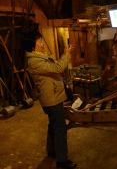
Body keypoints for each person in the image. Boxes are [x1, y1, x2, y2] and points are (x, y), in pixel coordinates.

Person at [20, 20, 77, 168]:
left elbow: (53, 69)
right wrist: (66, 54)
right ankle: (62, 161)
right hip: (51, 99)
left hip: (53, 96)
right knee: (60, 129)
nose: (42, 43)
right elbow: (58, 68)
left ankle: (51, 151)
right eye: (39, 41)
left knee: (53, 125)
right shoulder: (35, 62)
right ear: (33, 46)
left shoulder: (38, 58)